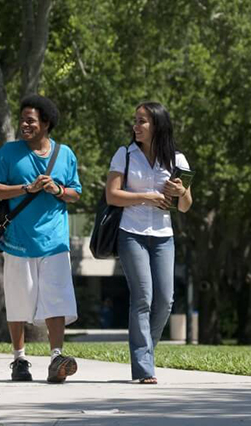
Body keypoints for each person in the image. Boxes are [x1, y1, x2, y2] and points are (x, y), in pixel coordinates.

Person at [0, 94, 82, 384]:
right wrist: (26, 188)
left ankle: (56, 358)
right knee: (18, 300)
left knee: (56, 299)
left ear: (46, 123)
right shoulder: (9, 152)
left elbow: (75, 193)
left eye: (31, 120)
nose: (24, 125)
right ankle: (19, 359)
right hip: (18, 241)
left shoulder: (65, 154)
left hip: (55, 241)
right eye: (22, 119)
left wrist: (57, 190)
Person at [104, 101, 193, 384]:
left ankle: (146, 353)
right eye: (136, 120)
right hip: (131, 232)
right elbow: (112, 195)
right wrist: (147, 197)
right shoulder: (125, 154)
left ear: (157, 125)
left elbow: (185, 207)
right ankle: (144, 367)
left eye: (142, 121)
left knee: (165, 300)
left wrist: (181, 191)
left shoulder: (178, 160)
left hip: (164, 236)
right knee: (143, 297)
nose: (136, 126)